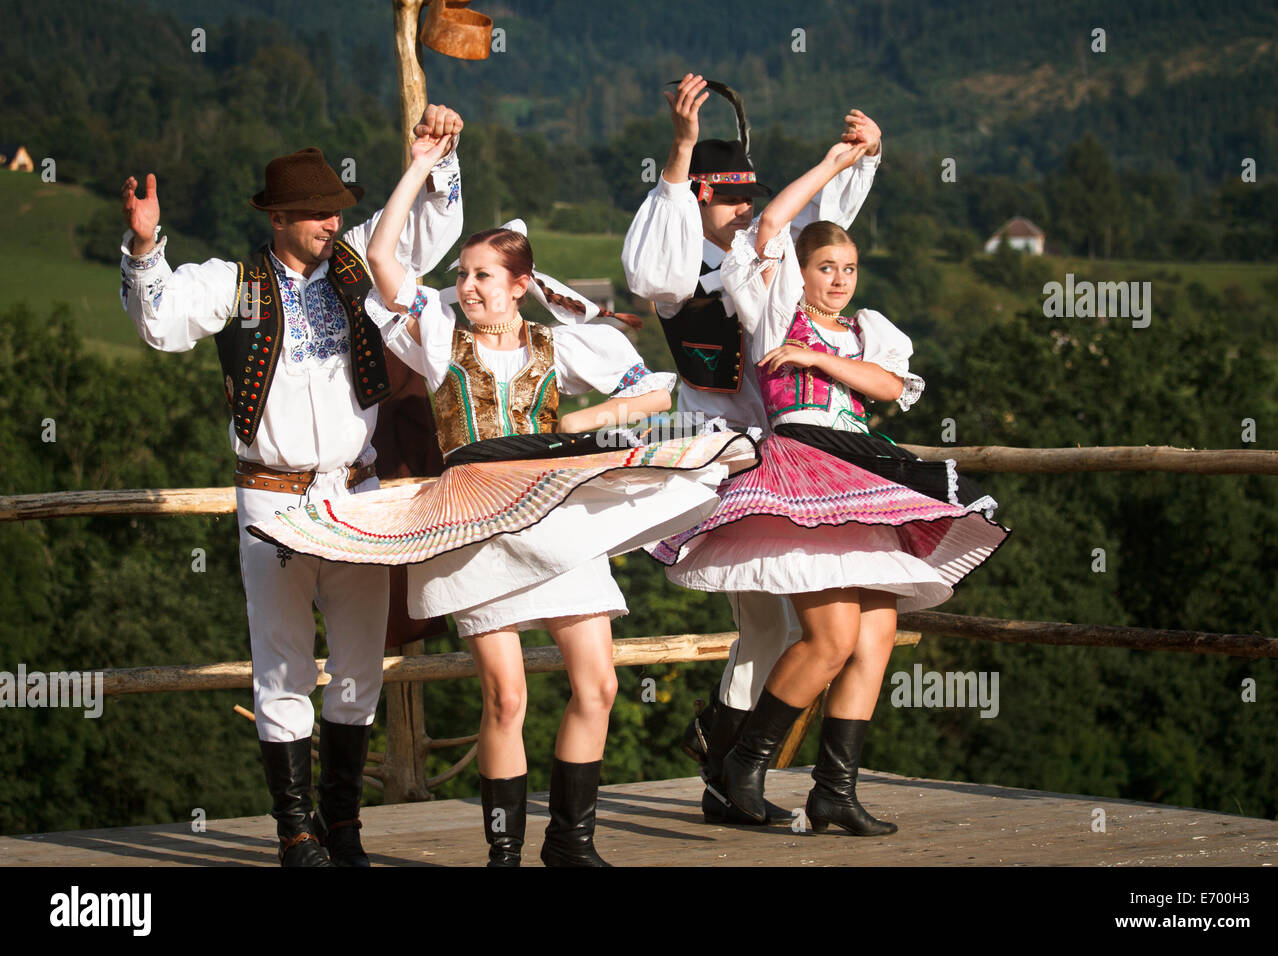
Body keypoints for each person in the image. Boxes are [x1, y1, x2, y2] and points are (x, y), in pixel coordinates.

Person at [249, 139, 757, 865]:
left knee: (600, 683)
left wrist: (578, 423)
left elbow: (651, 386)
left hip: (554, 510)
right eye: (465, 274)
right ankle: (504, 855)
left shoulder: (557, 347)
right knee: (507, 696)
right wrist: (422, 165)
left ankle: (570, 844)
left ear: (520, 284)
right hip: (474, 520)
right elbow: (387, 260)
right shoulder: (440, 336)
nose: (472, 286)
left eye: (484, 275)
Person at [118, 105, 465, 866]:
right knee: (279, 665)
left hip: (358, 493)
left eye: (336, 209)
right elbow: (159, 323)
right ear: (277, 218)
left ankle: (344, 828)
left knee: (358, 667)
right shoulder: (233, 285)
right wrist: (145, 249)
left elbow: (427, 233)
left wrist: (438, 157)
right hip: (271, 497)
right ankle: (296, 832)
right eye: (315, 213)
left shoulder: (356, 268)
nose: (330, 222)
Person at [650, 134, 1009, 835]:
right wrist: (835, 163)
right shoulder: (769, 312)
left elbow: (886, 383)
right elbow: (774, 225)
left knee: (874, 635)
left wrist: (823, 358)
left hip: (861, 466)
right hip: (802, 464)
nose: (839, 279)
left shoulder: (862, 331)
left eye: (848, 267)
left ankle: (833, 789)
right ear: (800, 272)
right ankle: (740, 768)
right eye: (826, 267)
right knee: (829, 637)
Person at [622, 74, 883, 825]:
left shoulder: (765, 261)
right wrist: (676, 152)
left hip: (782, 455)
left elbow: (813, 230)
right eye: (732, 199)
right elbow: (648, 269)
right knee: (769, 625)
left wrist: (858, 157)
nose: (746, 211)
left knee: (779, 628)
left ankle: (727, 764)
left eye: (750, 199)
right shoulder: (678, 271)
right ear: (700, 195)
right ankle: (726, 769)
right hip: (722, 455)